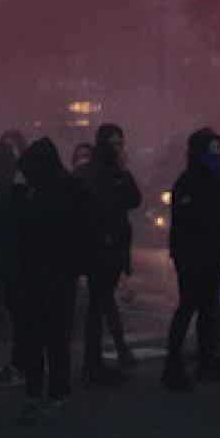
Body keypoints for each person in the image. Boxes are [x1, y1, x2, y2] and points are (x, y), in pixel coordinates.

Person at [15, 138, 87, 417]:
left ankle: (36, 388)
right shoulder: (70, 188)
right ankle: (58, 388)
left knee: (36, 334)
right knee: (59, 335)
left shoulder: (31, 193)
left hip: (35, 273)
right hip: (61, 273)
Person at [164, 128, 220, 391]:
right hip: (193, 254)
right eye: (212, 148)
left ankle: (207, 362)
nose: (216, 153)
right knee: (188, 306)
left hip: (215, 252)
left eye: (219, 147)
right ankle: (172, 366)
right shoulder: (189, 180)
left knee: (208, 309)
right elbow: (187, 220)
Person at [76, 124, 141, 382]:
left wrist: (124, 171)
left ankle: (95, 363)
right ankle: (93, 366)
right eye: (113, 143)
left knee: (100, 303)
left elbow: (134, 199)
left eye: (120, 142)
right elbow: (116, 203)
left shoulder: (113, 171)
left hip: (111, 246)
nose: (118, 148)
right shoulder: (96, 173)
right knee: (99, 304)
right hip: (102, 247)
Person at [0, 139, 28, 390]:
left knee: (12, 316)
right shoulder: (17, 190)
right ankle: (19, 363)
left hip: (3, 261)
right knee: (18, 317)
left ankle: (17, 364)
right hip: (15, 261)